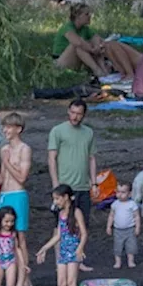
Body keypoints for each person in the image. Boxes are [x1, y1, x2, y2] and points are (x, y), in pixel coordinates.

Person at [0, 112, 33, 286]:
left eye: (9, 127)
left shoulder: (25, 149)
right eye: (4, 127)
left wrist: (7, 162)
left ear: (18, 129)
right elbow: (2, 177)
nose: (5, 130)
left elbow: (22, 177)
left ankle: (24, 279)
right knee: (3, 234)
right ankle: (7, 273)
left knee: (20, 237)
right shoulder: (3, 150)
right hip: (5, 195)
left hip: (18, 194)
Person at [53, 3, 140, 79]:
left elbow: (97, 39)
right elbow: (77, 42)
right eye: (86, 14)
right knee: (78, 46)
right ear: (78, 16)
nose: (90, 16)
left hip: (77, 63)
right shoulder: (67, 27)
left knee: (94, 44)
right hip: (61, 62)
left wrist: (97, 47)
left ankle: (104, 71)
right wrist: (92, 49)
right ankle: (97, 71)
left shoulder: (85, 29)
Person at [47, 100, 97, 233]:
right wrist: (55, 184)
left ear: (84, 115)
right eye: (73, 113)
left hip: (83, 187)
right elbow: (52, 158)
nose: (75, 117)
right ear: (68, 111)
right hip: (64, 186)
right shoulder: (57, 131)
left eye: (79, 114)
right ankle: (59, 254)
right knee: (60, 225)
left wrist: (94, 183)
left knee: (82, 225)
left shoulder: (89, 133)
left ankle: (79, 252)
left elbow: (91, 158)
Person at [35, 184, 87, 286]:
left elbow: (84, 233)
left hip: (74, 250)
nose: (55, 202)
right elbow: (58, 235)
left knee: (71, 283)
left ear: (66, 197)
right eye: (54, 199)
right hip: (63, 252)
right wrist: (45, 248)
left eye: (57, 198)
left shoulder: (76, 212)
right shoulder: (61, 214)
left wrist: (80, 248)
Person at [103, 182, 142, 269]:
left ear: (130, 194)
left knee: (131, 246)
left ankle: (130, 261)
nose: (120, 195)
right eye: (118, 192)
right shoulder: (115, 204)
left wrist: (137, 227)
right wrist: (109, 226)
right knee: (118, 246)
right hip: (118, 230)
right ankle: (118, 262)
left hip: (130, 229)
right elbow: (111, 216)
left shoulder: (132, 204)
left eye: (123, 192)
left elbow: (137, 217)